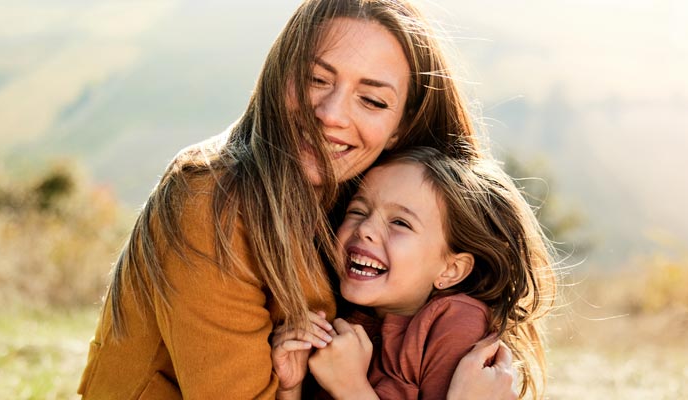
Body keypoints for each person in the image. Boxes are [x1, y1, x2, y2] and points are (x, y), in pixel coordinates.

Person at [78, 1, 517, 398]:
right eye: (315, 79)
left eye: (371, 100)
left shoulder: (374, 196)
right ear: (279, 75)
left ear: (400, 127)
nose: (330, 113)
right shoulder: (210, 200)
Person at [271, 147, 556, 400]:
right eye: (358, 211)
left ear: (451, 269)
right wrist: (290, 387)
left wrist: (351, 389)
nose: (365, 229)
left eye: (400, 222)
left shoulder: (455, 322)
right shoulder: (347, 323)